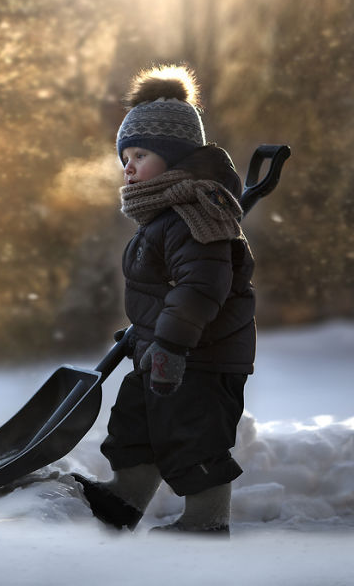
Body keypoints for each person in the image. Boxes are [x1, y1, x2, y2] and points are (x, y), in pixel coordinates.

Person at [72, 64, 255, 537]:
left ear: (175, 160)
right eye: (124, 156)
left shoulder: (196, 213)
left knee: (193, 436)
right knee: (135, 422)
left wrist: (171, 342)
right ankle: (124, 497)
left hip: (201, 357)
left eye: (140, 154)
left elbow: (200, 289)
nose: (128, 166)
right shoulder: (164, 213)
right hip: (165, 348)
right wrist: (149, 328)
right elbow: (164, 288)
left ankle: (206, 521)